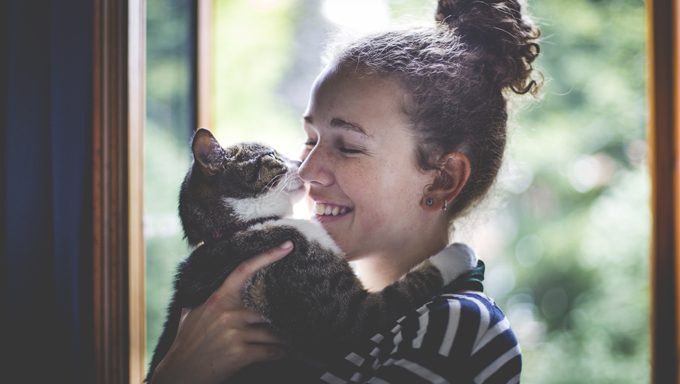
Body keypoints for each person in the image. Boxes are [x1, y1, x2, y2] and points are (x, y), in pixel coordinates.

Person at [151, 0, 540, 382]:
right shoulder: (294, 310)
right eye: (309, 139)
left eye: (348, 147)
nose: (306, 170)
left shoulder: (457, 328)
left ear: (442, 179)